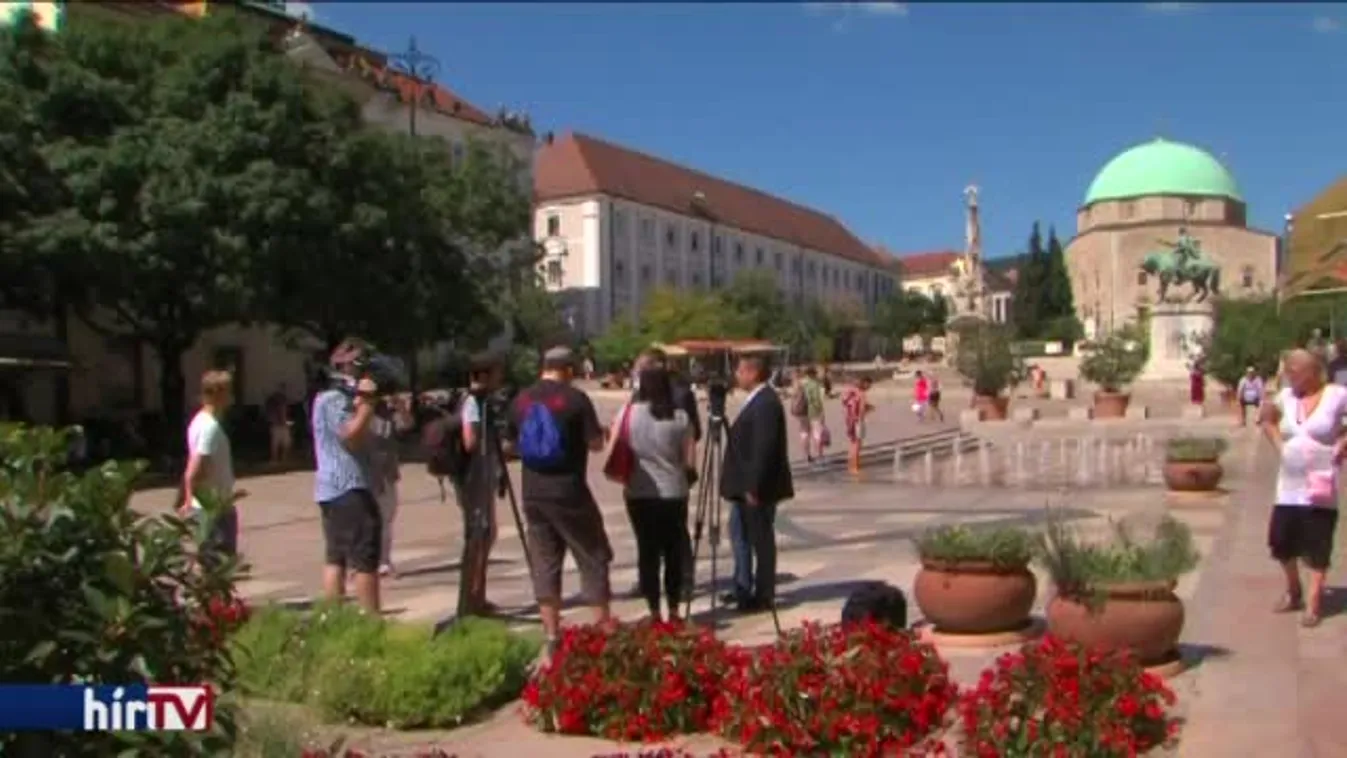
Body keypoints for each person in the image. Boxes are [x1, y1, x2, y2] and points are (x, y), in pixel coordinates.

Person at [507, 346, 612, 656]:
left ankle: (551, 633)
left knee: (545, 561)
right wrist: (603, 434)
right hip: (568, 490)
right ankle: (602, 627)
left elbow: (510, 446)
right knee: (592, 553)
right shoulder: (575, 400)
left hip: (533, 492)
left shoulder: (521, 400)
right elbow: (594, 445)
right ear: (566, 369)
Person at [1262, 349, 1347, 628]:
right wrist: (1279, 446)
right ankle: (1294, 589)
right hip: (1289, 484)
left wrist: (1342, 444)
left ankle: (1312, 603)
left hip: (1321, 482)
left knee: (1317, 543)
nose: (1290, 376)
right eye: (1288, 371)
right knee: (1281, 541)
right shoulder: (1285, 397)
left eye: (1295, 371)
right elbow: (1267, 419)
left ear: (1312, 371)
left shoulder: (1336, 394)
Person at [615, 366, 696, 621]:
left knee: (647, 552)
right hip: (674, 491)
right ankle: (674, 608)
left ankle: (653, 610)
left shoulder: (628, 414)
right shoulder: (681, 418)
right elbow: (690, 461)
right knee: (673, 552)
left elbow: (614, 445)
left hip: (640, 492)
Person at [311, 338, 383, 613]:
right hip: (347, 486)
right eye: (359, 366)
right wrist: (366, 402)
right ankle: (370, 620)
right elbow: (350, 436)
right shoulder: (333, 399)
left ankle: (335, 619)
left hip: (333, 489)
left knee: (336, 556)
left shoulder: (331, 399)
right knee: (363, 556)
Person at [719, 354, 794, 613]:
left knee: (760, 538)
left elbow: (764, 448)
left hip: (756, 487)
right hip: (744, 486)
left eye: (740, 371)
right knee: (738, 534)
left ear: (752, 373)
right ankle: (742, 584)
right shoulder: (758, 401)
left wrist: (754, 486)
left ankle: (764, 592)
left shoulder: (766, 403)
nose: (737, 376)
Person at [179, 370, 246, 563]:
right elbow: (195, 469)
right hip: (215, 509)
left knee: (214, 566)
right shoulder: (209, 427)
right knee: (219, 566)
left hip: (212, 506)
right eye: (228, 391)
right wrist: (190, 499)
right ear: (218, 394)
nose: (232, 397)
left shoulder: (199, 421)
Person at [457, 352, 506, 616]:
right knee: (479, 535)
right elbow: (470, 442)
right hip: (473, 477)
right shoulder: (472, 403)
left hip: (483, 475)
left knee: (487, 534)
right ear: (484, 375)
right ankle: (472, 598)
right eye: (497, 373)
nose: (501, 378)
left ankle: (479, 594)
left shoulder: (484, 402)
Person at [371, 395, 412, 578]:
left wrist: (401, 406)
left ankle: (384, 560)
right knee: (372, 520)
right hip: (369, 474)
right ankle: (372, 562)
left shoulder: (389, 417)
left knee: (387, 518)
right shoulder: (362, 414)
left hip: (388, 473)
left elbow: (408, 424)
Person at [841, 376, 874, 477]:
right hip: (858, 421)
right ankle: (855, 467)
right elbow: (862, 409)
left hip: (849, 420)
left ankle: (851, 465)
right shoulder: (862, 394)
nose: (869, 387)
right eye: (869, 385)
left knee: (852, 443)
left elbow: (846, 403)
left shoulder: (853, 392)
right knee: (857, 445)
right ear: (865, 383)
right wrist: (869, 409)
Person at [794, 367, 826, 462]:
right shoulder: (816, 384)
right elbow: (818, 399)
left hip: (801, 411)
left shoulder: (800, 383)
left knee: (804, 433)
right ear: (813, 374)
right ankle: (820, 455)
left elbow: (794, 395)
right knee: (817, 434)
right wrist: (821, 412)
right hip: (814, 411)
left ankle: (807, 455)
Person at [265, 383, 293, 464]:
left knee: (275, 443)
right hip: (281, 424)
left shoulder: (271, 400)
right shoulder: (282, 400)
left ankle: (274, 459)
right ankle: (284, 459)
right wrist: (285, 422)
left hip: (274, 424)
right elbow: (282, 412)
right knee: (286, 443)